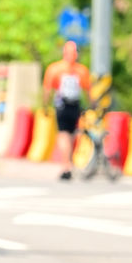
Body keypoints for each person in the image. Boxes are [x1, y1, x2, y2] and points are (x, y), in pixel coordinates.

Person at [42, 40, 91, 180]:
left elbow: (47, 90)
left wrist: (45, 106)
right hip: (74, 106)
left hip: (63, 106)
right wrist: (91, 105)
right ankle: (68, 164)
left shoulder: (55, 69)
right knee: (69, 135)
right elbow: (88, 91)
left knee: (64, 135)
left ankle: (66, 165)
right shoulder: (81, 70)